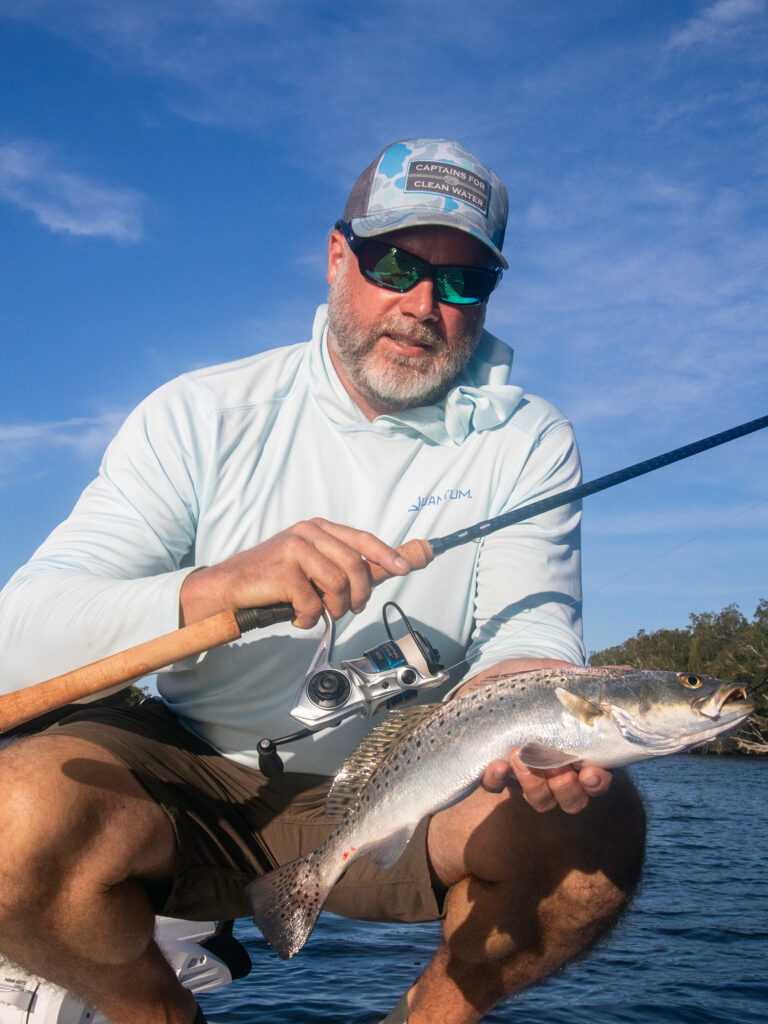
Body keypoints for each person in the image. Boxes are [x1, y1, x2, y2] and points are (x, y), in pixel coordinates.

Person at [0, 139, 645, 1024]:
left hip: (411, 784)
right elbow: (18, 636)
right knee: (9, 816)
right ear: (338, 256)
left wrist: (524, 710)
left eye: (465, 283)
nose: (424, 304)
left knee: (597, 835)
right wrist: (210, 588)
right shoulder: (200, 414)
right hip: (190, 767)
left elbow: (529, 636)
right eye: (395, 263)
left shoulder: (529, 437)